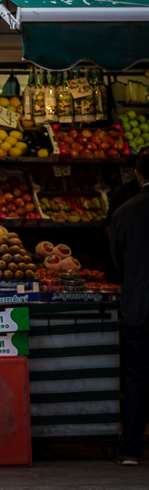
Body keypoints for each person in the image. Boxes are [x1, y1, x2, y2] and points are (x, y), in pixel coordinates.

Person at [110, 149, 149, 466]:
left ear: (138, 175)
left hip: (140, 306)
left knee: (138, 376)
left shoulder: (124, 212)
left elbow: (117, 263)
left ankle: (130, 449)